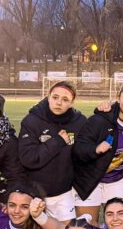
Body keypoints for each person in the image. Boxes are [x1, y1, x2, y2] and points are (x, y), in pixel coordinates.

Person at [73, 81, 123, 223]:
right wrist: (95, 149)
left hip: (117, 179)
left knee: (120, 224)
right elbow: (78, 150)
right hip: (90, 179)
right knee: (87, 227)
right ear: (118, 98)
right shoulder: (99, 121)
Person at [18, 79, 89, 219]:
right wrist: (57, 141)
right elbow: (28, 158)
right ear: (48, 96)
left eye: (65, 99)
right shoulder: (32, 120)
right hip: (34, 193)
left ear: (72, 102)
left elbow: (84, 154)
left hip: (64, 192)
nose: (59, 102)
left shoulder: (79, 122)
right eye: (55, 97)